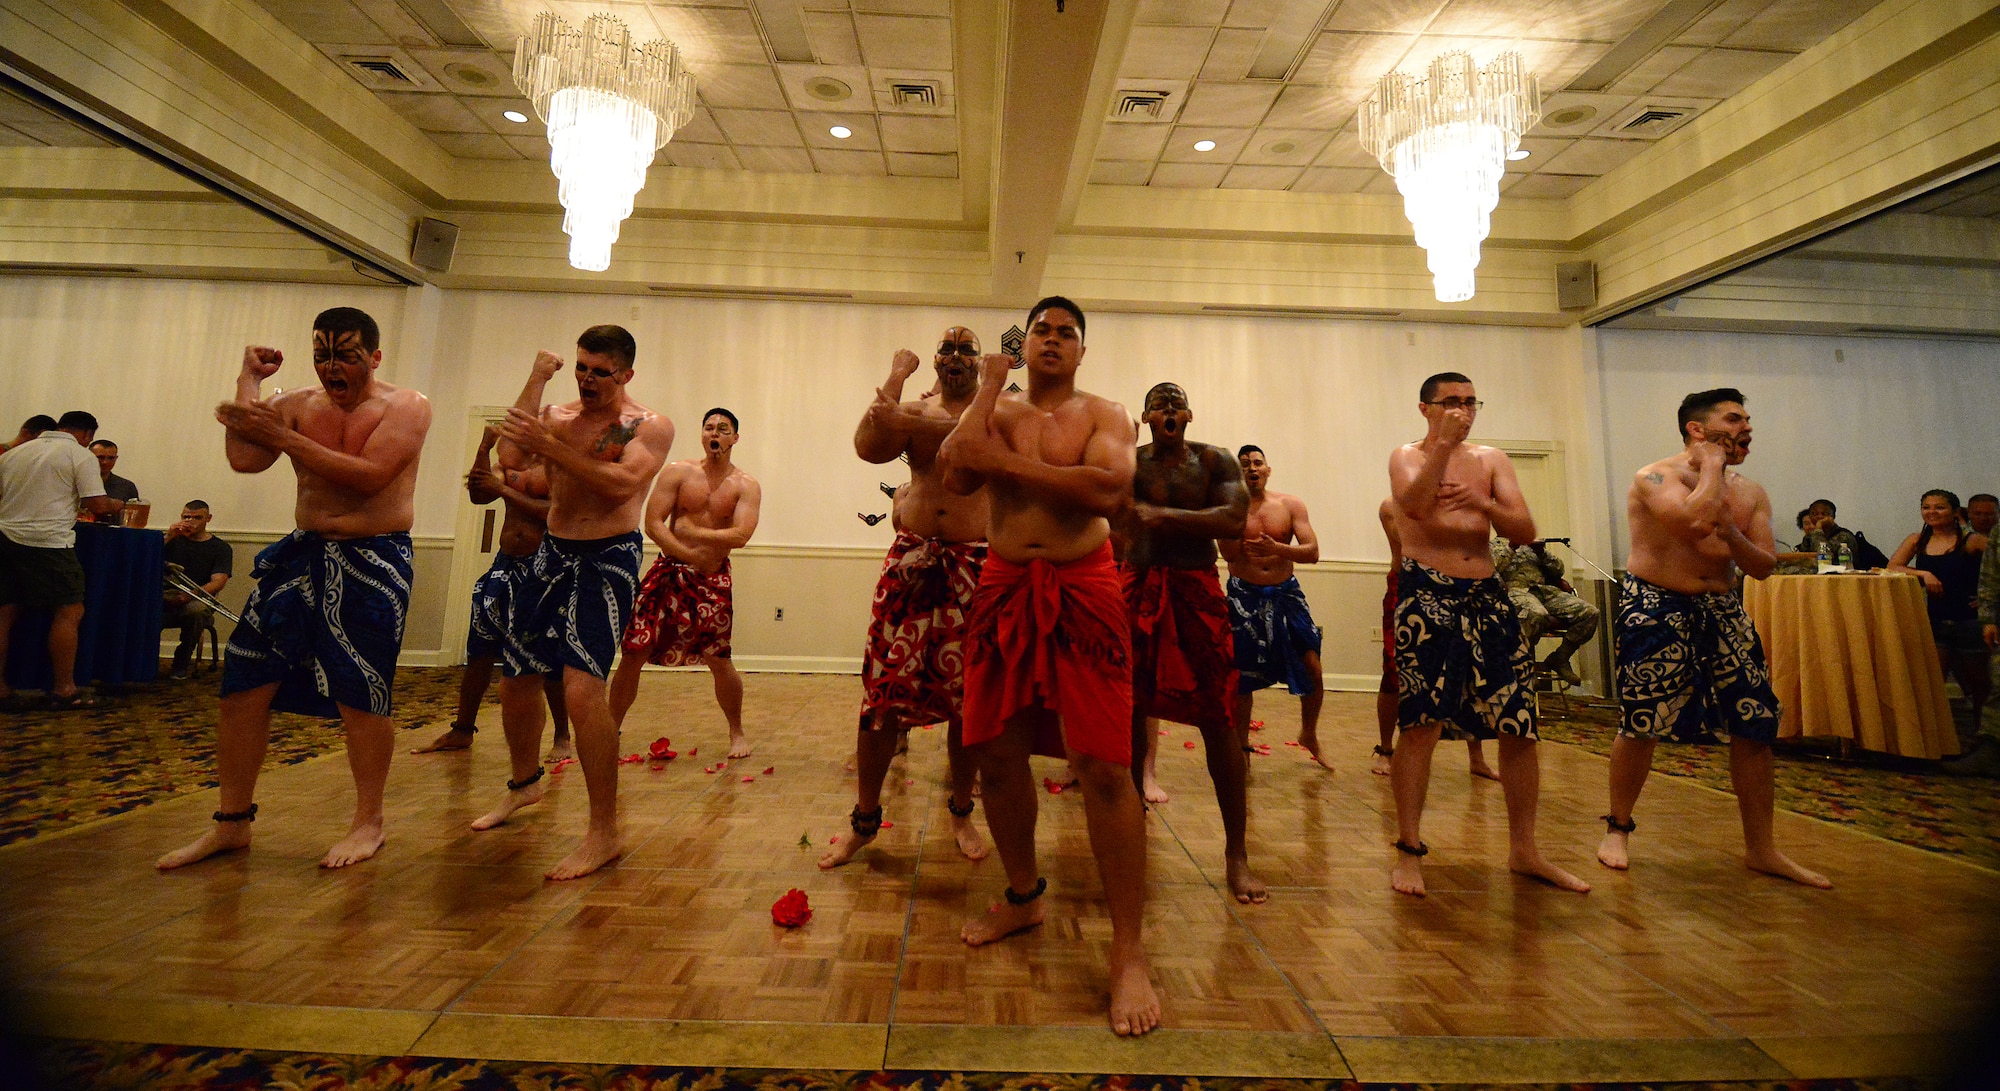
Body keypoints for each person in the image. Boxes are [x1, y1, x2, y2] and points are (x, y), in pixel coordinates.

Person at [939, 296, 1158, 1037]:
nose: (1053, 339)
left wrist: (1002, 460)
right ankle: (1024, 894)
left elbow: (1106, 490)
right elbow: (955, 473)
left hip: (1084, 585)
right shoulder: (996, 408)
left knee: (1103, 765)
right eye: (1042, 330)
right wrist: (986, 388)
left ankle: (1128, 950)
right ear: (1023, 344)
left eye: (1068, 332)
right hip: (1004, 583)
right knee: (995, 754)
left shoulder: (1106, 413)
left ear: (1082, 350)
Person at [157, 307, 432, 871]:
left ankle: (368, 822)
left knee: (361, 691)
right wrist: (249, 383)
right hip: (301, 555)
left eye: (346, 356)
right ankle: (232, 822)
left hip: (374, 557)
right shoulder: (297, 405)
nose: (332, 367)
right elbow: (244, 458)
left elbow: (369, 476)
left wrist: (281, 436)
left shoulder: (407, 406)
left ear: (374, 357)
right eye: (322, 355)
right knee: (243, 683)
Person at [1598, 387, 1830, 888]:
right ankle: (1618, 828)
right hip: (1656, 603)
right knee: (1642, 722)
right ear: (1697, 429)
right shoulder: (1654, 476)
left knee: (1755, 722)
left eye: (1748, 419)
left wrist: (1733, 533)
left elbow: (1763, 565)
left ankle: (1761, 849)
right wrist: (1710, 469)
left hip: (1723, 607)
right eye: (1734, 419)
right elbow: (1690, 521)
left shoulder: (1751, 491)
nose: (1747, 428)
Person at [472, 328, 672, 881]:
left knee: (583, 693)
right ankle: (523, 784)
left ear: (625, 374)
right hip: (551, 552)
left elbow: (620, 483)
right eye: (582, 368)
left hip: (607, 557)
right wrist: (539, 376)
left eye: (600, 372)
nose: (587, 379)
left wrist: (554, 448)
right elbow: (510, 453)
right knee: (516, 679)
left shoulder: (645, 424)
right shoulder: (556, 415)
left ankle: (604, 831)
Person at [1386, 372, 1586, 898]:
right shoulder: (1406, 455)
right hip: (1428, 594)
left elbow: (1523, 531)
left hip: (1488, 595)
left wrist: (1482, 503)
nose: (1463, 410)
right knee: (1421, 723)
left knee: (1519, 723)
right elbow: (1414, 507)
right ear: (1426, 408)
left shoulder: (1491, 459)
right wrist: (1442, 449)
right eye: (1451, 402)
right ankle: (1408, 850)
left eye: (1471, 402)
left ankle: (1525, 851)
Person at [821, 328, 990, 869]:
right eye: (948, 349)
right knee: (881, 694)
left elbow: (970, 442)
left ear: (979, 363)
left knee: (968, 699)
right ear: (935, 361)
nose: (956, 356)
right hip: (911, 561)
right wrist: (896, 376)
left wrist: (913, 421)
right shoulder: (913, 408)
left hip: (974, 566)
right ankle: (864, 820)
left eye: (967, 349)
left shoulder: (996, 413)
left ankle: (961, 811)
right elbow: (868, 448)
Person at [1121, 382, 1266, 904]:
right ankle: (1129, 832)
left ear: (1189, 415)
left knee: (1219, 716)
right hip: (1136, 586)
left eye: (1176, 403)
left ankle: (1236, 854)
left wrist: (1162, 516)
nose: (1168, 410)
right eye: (1158, 404)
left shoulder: (1214, 460)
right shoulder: (1129, 462)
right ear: (1145, 416)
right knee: (1129, 709)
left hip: (1197, 591)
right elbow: (1111, 514)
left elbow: (1233, 518)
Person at [608, 408, 761, 759]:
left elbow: (741, 534)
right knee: (634, 650)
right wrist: (688, 553)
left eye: (723, 429)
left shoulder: (745, 485)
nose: (715, 433)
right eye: (709, 427)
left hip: (712, 580)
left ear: (735, 438)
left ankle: (736, 731)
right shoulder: (678, 472)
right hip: (668, 572)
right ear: (702, 434)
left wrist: (695, 533)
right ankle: (610, 726)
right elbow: (653, 523)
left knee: (718, 657)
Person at [411, 426, 567, 758]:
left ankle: (562, 736)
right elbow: (479, 494)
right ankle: (462, 730)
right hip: (504, 566)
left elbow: (555, 513)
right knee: (480, 650)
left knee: (549, 656)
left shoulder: (559, 467)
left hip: (544, 570)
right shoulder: (508, 468)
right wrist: (483, 447)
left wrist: (504, 490)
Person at [0, 410, 123, 710]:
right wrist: (116, 504)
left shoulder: (14, 454)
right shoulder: (79, 455)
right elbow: (97, 505)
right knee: (69, 611)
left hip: (5, 538)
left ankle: (1, 689)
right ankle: (65, 689)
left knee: (5, 613)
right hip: (49, 542)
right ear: (88, 435)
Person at [1220, 445, 1329, 771]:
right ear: (1238, 473)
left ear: (1267, 470)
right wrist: (1234, 519)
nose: (1252, 468)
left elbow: (1312, 552)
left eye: (1257, 463)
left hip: (1285, 594)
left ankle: (1309, 733)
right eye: (1244, 465)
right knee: (1242, 675)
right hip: (1245, 595)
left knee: (1313, 666)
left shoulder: (1290, 505)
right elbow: (1228, 555)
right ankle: (1241, 744)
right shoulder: (1230, 508)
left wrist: (1277, 548)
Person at [1374, 499, 1499, 781]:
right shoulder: (1392, 506)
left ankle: (1477, 758)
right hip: (1407, 590)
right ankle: (1386, 749)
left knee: (1469, 670)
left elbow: (1477, 542)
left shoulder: (1458, 506)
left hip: (1456, 589)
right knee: (1394, 669)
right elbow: (1411, 542)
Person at [1887, 489, 1989, 723]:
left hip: (1970, 622)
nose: (1932, 512)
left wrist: (1988, 599)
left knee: (1979, 686)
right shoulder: (1917, 540)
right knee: (1932, 684)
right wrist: (1924, 573)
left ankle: (1984, 734)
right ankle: (1938, 736)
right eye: (1926, 507)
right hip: (1934, 621)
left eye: (1939, 507)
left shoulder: (1972, 540)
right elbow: (1892, 566)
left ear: (1955, 512)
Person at [1492, 537, 1600, 685]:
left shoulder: (1530, 546)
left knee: (1590, 612)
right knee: (1537, 614)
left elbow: (1558, 570)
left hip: (1545, 592)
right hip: (1516, 592)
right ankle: (1524, 665)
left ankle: (1560, 658)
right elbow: (1492, 571)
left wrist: (1541, 552)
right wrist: (1511, 547)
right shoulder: (1492, 545)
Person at [160, 500, 233, 679]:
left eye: (197, 518)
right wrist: (168, 536)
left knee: (196, 611)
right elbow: (146, 559)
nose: (190, 521)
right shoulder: (172, 541)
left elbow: (218, 581)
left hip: (197, 599)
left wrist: (190, 595)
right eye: (186, 517)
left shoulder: (220, 548)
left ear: (208, 518)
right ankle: (142, 663)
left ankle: (181, 664)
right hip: (164, 595)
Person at [88, 439, 140, 508]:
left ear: (116, 458)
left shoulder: (127, 487)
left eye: (111, 458)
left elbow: (134, 513)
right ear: (88, 457)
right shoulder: (77, 483)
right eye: (100, 457)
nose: (105, 462)